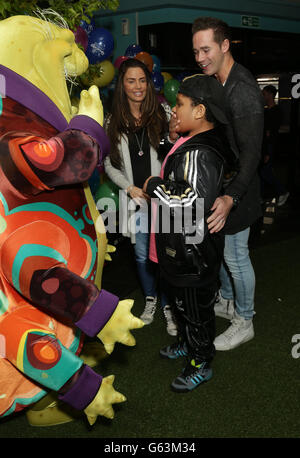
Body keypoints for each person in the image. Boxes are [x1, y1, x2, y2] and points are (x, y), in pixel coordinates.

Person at [144, 74, 236, 392]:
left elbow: (192, 201)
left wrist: (154, 185)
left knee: (196, 311)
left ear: (199, 111)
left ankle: (201, 360)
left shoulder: (200, 152)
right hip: (183, 250)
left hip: (193, 254)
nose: (173, 110)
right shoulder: (194, 146)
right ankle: (186, 343)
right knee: (183, 305)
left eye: (180, 104)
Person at [191, 17, 264, 350]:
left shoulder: (243, 89)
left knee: (236, 257)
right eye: (196, 51)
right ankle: (229, 301)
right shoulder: (216, 80)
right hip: (225, 185)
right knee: (221, 253)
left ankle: (244, 319)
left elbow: (252, 154)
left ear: (224, 46)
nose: (200, 57)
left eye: (206, 49)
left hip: (242, 189)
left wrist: (231, 196)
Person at [104, 58, 177, 336]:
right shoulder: (113, 121)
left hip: (164, 201)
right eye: (131, 80)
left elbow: (176, 153)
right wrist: (129, 188)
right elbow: (109, 164)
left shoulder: (163, 113)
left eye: (142, 80)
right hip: (135, 202)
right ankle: (150, 299)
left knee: (167, 255)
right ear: (122, 85)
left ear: (149, 83)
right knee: (141, 255)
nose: (137, 86)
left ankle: (169, 305)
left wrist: (164, 187)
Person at [260, 84, 289, 206]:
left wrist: (266, 150)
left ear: (271, 95)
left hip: (269, 145)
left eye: (264, 93)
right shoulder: (267, 111)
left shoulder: (275, 111)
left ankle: (282, 191)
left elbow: (269, 133)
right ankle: (260, 197)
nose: (263, 96)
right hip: (266, 145)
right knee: (262, 171)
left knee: (265, 171)